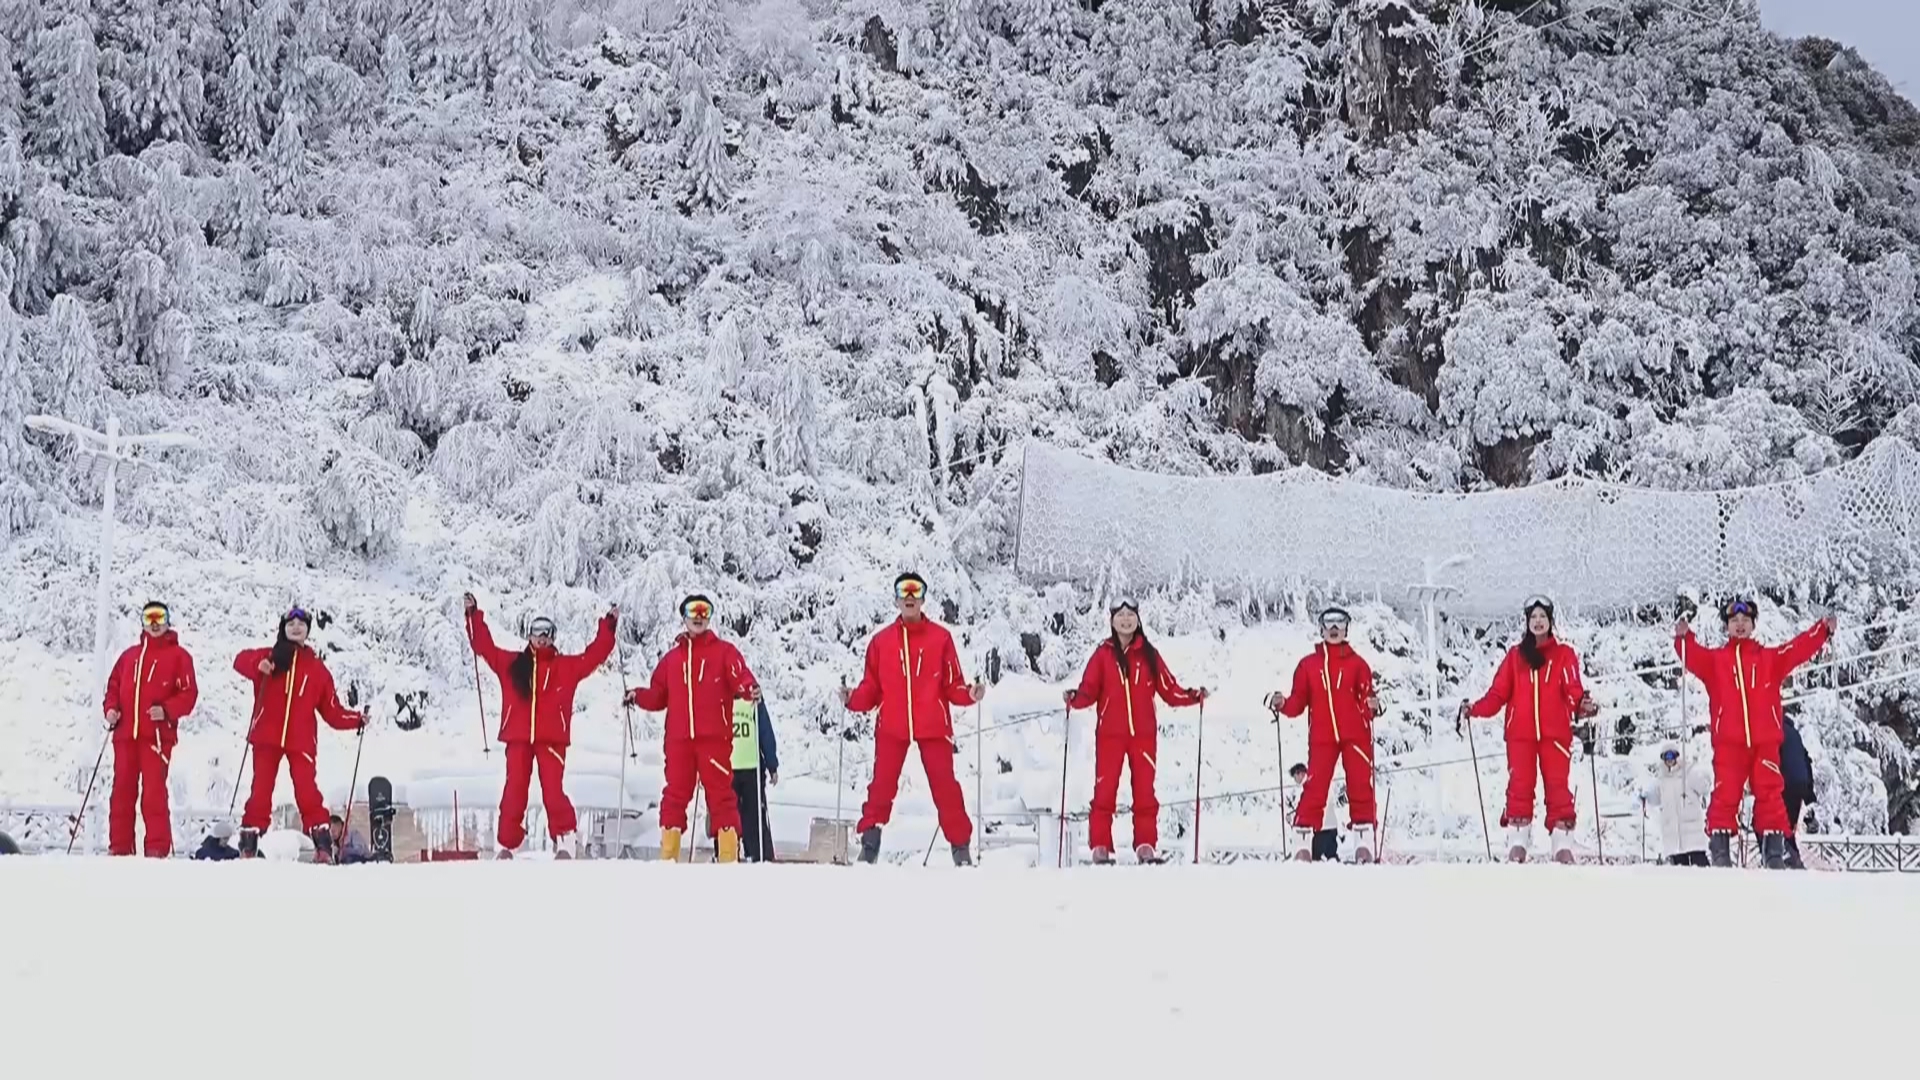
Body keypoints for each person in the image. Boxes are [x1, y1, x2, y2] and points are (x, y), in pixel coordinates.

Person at [839, 572, 985, 866]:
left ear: (922, 599)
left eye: (915, 592)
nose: (909, 597)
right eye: (903, 592)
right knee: (881, 786)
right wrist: (852, 698)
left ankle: (961, 849)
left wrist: (971, 693)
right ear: (895, 600)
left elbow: (952, 684)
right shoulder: (881, 642)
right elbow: (872, 688)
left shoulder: (941, 638)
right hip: (893, 725)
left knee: (946, 787)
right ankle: (869, 845)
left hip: (933, 724)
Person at [1675, 596, 1833, 868]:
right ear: (1726, 626)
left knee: (1771, 793)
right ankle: (1721, 855)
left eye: (1745, 621)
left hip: (1765, 742)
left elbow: (1797, 649)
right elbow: (1692, 655)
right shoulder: (1716, 662)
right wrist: (1683, 638)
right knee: (1725, 794)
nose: (1739, 625)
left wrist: (1823, 631)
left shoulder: (1770, 659)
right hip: (1729, 744)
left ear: (1752, 625)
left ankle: (1773, 855)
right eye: (1734, 621)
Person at [466, 593, 618, 859]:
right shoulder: (512, 664)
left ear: (553, 637)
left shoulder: (565, 667)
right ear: (529, 636)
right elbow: (484, 647)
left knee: (553, 790)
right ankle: (507, 844)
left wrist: (608, 627)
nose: (542, 637)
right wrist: (473, 615)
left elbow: (594, 656)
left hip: (552, 738)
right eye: (537, 632)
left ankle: (565, 840)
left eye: (547, 633)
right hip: (518, 737)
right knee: (514, 791)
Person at [1062, 600, 1206, 864]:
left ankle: (1146, 844)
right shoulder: (1103, 654)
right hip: (1110, 734)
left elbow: (1168, 689)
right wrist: (1075, 698)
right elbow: (1089, 690)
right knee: (1105, 790)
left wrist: (1193, 696)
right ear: (1112, 621)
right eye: (1120, 615)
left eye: (1130, 615)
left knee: (1145, 791)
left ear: (1138, 620)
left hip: (1143, 734)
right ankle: (1101, 846)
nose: (1126, 620)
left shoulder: (1148, 654)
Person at [1459, 596, 1596, 864]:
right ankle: (1518, 842)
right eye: (1533, 617)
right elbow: (1497, 695)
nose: (1537, 621)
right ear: (1527, 621)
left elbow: (1573, 690)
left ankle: (1561, 843)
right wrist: (1474, 708)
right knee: (1519, 786)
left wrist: (1582, 705)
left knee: (1558, 786)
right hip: (1520, 735)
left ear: (1550, 620)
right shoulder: (1514, 657)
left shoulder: (1564, 655)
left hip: (1554, 734)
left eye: (1542, 616)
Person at [627, 594, 761, 863]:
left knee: (722, 795)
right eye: (693, 611)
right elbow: (658, 695)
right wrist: (637, 696)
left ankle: (727, 855)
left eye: (704, 611)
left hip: (714, 739)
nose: (699, 616)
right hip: (679, 740)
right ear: (684, 618)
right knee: (675, 793)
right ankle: (669, 854)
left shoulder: (724, 652)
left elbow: (741, 677)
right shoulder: (672, 660)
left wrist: (749, 689)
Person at [235, 607, 365, 862]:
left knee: (308, 793)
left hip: (301, 740)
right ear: (283, 628)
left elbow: (333, 711)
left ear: (308, 631)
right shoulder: (268, 656)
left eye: (301, 624)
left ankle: (323, 848)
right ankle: (248, 846)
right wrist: (257, 665)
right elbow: (239, 660)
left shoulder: (317, 670)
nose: (296, 627)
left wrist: (357, 719)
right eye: (290, 623)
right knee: (260, 791)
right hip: (266, 737)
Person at [1270, 606, 1379, 862]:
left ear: (1346, 629)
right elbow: (1298, 702)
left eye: (1339, 624)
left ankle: (1364, 842)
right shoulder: (1308, 665)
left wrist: (1373, 708)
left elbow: (1367, 701)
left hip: (1356, 735)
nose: (1333, 629)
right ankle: (1303, 843)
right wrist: (1282, 703)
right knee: (1315, 786)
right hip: (1322, 737)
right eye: (1328, 623)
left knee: (1360, 784)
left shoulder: (1358, 664)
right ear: (1320, 628)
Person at [102, 601, 199, 858]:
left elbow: (189, 694)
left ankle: (157, 848)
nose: (154, 623)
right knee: (121, 792)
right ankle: (119, 847)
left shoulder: (179, 656)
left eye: (160, 617)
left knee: (154, 794)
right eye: (149, 618)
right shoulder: (129, 656)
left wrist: (167, 709)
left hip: (156, 736)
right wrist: (111, 709)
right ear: (143, 623)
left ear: (168, 621)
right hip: (125, 736)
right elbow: (113, 685)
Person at [1640, 742, 1710, 866]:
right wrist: (1645, 796)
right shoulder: (1662, 781)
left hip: (1693, 836)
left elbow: (1704, 787)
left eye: (1672, 756)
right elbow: (1654, 797)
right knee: (1681, 874)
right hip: (1673, 839)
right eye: (1666, 757)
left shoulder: (1688, 774)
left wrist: (1702, 776)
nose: (1670, 760)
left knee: (1701, 869)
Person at [729, 697, 780, 862]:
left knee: (754, 816)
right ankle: (727, 853)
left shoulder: (753, 698)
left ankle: (760, 856)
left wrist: (772, 765)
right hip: (727, 768)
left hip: (752, 768)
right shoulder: (720, 694)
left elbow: (764, 731)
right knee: (728, 816)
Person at [1779, 714, 1816, 870]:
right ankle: (1793, 859)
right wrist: (1809, 795)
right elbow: (1806, 761)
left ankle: (1790, 858)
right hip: (1801, 783)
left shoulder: (1776, 732)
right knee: (1788, 825)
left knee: (1779, 823)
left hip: (1785, 783)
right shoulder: (1795, 734)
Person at [1287, 762, 1341, 862]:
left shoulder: (1310, 787)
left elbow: (1307, 807)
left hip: (1321, 828)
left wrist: (1296, 820)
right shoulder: (1316, 781)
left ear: (1300, 774)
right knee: (1331, 857)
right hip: (1332, 825)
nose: (1296, 781)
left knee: (1315, 859)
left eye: (1295, 777)